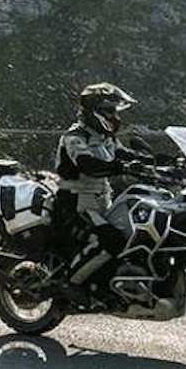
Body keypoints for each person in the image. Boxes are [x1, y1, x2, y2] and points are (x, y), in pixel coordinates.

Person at [52, 83, 157, 274]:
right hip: (76, 204)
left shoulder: (104, 138)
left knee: (131, 236)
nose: (115, 118)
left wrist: (160, 161)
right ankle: (70, 286)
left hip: (101, 202)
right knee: (110, 242)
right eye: (110, 112)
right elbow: (89, 165)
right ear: (94, 112)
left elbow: (126, 154)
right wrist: (122, 167)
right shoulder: (75, 137)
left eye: (116, 113)